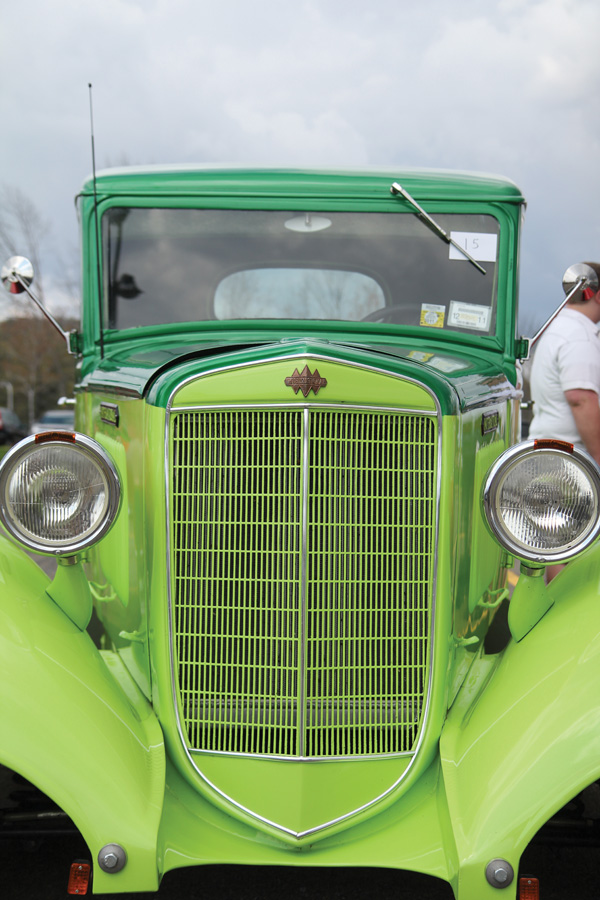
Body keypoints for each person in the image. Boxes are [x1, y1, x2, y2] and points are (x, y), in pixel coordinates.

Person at [529, 260, 600, 580]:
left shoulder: (560, 328)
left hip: (551, 453)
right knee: (571, 553)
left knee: (558, 546)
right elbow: (580, 399)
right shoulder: (578, 336)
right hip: (571, 461)